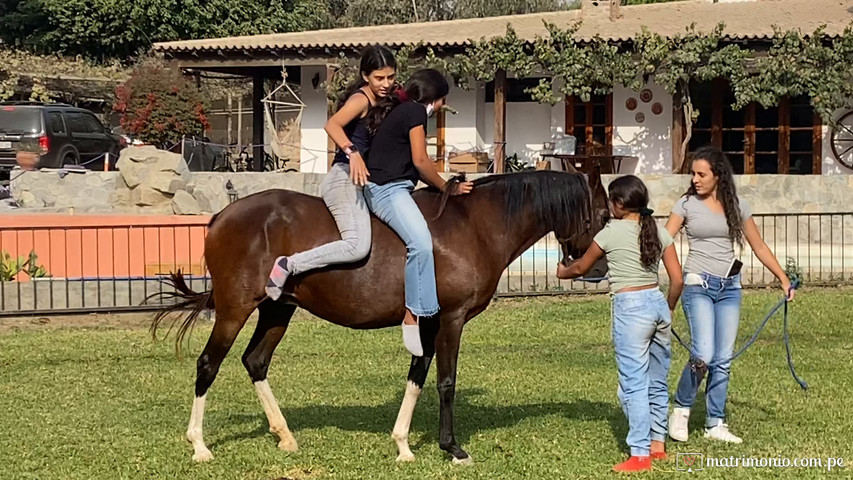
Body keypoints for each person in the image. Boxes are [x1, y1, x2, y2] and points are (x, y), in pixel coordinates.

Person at [665, 145, 796, 444]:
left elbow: (759, 246)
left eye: (702, 174)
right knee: (704, 353)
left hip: (730, 288)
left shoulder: (737, 205)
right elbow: (663, 239)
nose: (695, 179)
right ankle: (681, 409)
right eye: (693, 174)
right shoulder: (685, 205)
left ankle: (715, 423)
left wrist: (782, 278)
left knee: (723, 358)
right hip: (698, 285)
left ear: (718, 175)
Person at [557, 175, 683, 473]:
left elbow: (582, 267)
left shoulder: (610, 232)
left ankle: (639, 455)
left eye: (611, 200)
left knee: (633, 384)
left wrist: (563, 272)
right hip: (656, 303)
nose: (608, 206)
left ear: (621, 204)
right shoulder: (658, 232)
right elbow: (677, 280)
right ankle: (657, 445)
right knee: (657, 380)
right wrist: (669, 308)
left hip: (630, 308)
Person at [266, 45, 397, 300]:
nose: (386, 84)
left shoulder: (386, 98)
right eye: (379, 78)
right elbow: (332, 124)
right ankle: (289, 265)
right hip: (344, 178)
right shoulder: (361, 99)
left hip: (365, 181)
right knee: (357, 246)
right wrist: (353, 152)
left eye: (390, 77)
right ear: (365, 76)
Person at [363, 69, 474, 357]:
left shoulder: (402, 109)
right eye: (442, 101)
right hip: (388, 190)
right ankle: (413, 314)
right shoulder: (414, 113)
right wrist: (448, 188)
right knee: (421, 243)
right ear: (437, 99)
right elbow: (421, 161)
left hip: (394, 187)